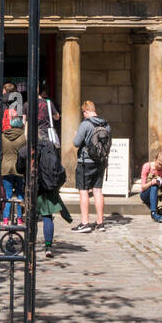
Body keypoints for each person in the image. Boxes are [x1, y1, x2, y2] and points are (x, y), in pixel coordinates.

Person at [17, 131, 72, 259]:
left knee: (32, 218)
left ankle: (31, 245)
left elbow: (19, 169)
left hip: (33, 186)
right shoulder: (50, 146)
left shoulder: (24, 150)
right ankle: (48, 246)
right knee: (47, 216)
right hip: (48, 186)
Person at [72, 100, 111, 233]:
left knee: (83, 191)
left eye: (83, 113)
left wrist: (76, 135)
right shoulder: (106, 124)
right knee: (98, 191)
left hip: (85, 162)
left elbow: (76, 143)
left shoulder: (85, 124)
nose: (83, 115)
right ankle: (100, 223)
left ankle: (85, 222)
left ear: (86, 111)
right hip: (101, 161)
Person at [0, 106, 27, 224]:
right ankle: (19, 218)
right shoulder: (23, 138)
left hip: (5, 167)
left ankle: (6, 218)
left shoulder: (3, 136)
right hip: (19, 168)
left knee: (8, 195)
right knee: (20, 193)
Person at [139, 151, 162, 222]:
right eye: (159, 164)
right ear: (155, 160)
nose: (160, 166)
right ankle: (153, 213)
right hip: (146, 193)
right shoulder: (147, 166)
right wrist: (152, 182)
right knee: (154, 186)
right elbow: (142, 187)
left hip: (159, 193)